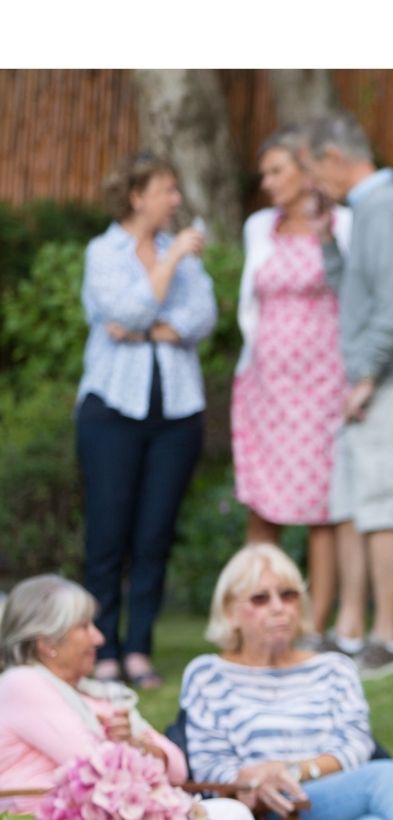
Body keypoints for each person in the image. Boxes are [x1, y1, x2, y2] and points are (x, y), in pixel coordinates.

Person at [179, 544, 393, 820]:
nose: (278, 608)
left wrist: (293, 771)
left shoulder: (334, 668)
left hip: (332, 807)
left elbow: (356, 746)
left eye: (288, 595)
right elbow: (209, 767)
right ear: (230, 612)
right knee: (388, 777)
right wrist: (254, 780)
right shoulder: (207, 674)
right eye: (260, 599)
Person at [304, 113, 393, 679]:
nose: (316, 183)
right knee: (356, 505)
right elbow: (358, 296)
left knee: (382, 507)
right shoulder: (369, 212)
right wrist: (329, 246)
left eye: (316, 169)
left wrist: (366, 378)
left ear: (336, 156)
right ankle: (353, 635)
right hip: (379, 378)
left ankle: (391, 640)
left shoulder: (384, 209)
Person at [75, 151, 216, 690]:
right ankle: (103, 647)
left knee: (155, 535)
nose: (175, 200)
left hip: (176, 413)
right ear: (138, 196)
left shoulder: (181, 254)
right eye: (166, 190)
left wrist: (151, 326)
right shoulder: (103, 253)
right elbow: (124, 312)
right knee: (109, 535)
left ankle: (140, 649)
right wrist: (169, 264)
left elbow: (201, 317)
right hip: (112, 410)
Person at [232, 127, 353, 636]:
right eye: (264, 173)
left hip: (322, 388)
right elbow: (251, 302)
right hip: (265, 388)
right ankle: (252, 617)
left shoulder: (344, 224)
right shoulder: (260, 227)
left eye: (277, 170)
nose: (268, 182)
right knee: (264, 508)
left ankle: (313, 624)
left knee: (320, 510)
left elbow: (355, 294)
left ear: (305, 171)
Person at [0, 575, 186, 802]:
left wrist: (135, 744)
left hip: (109, 819)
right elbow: (93, 766)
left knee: (225, 812)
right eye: (84, 627)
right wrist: (131, 752)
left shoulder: (98, 695)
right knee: (227, 813)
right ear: (47, 644)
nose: (98, 638)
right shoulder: (22, 684)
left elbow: (178, 769)